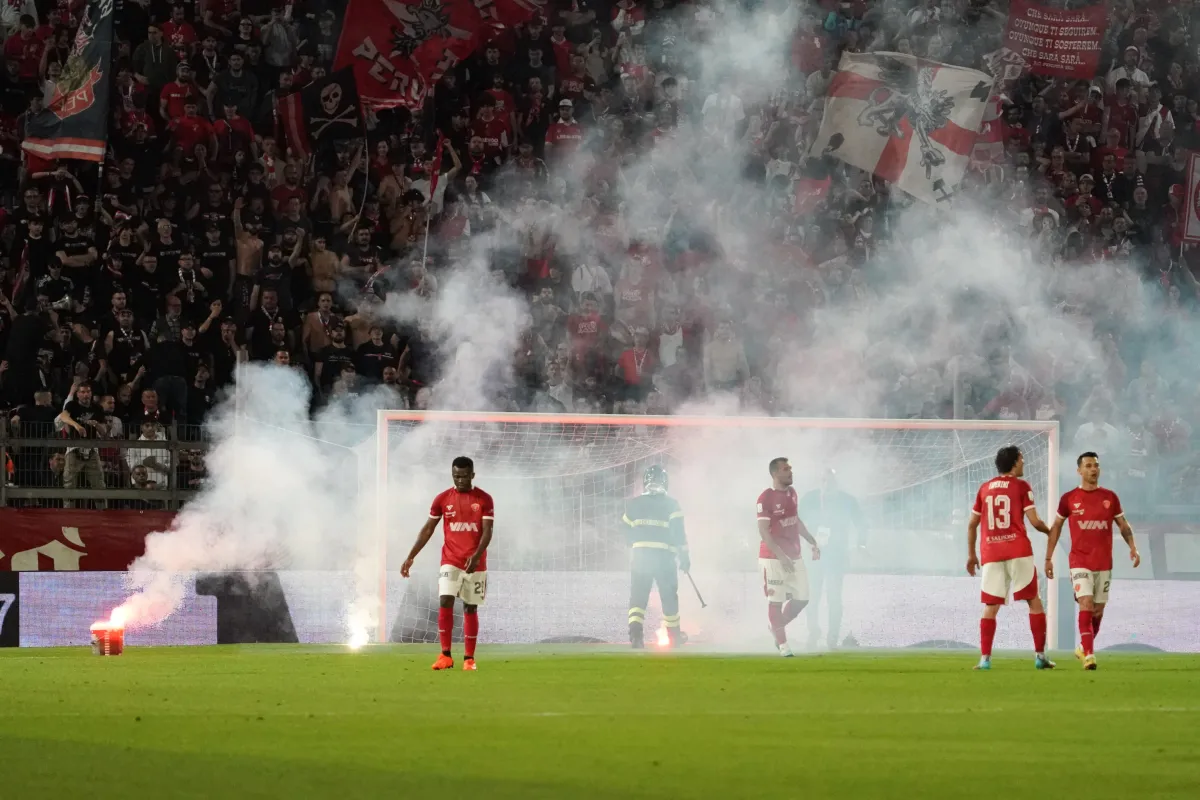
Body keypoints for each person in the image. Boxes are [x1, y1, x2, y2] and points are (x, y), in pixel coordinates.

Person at [1045, 452, 1140, 671]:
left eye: (1096, 465)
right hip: (1079, 561)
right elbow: (1057, 527)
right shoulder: (1069, 499)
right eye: (1088, 466)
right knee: (1085, 603)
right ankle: (1089, 655)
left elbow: (1123, 525)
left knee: (1097, 611)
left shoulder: (1110, 497)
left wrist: (1133, 547)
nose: (1093, 469)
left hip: (1104, 562)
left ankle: (1082, 647)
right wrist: (1048, 557)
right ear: (1079, 471)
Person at [400, 456, 495, 671]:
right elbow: (427, 530)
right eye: (455, 476)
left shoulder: (484, 499)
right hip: (450, 561)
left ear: (472, 475)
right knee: (445, 601)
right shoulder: (442, 499)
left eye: (463, 476)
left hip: (475, 563)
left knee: (470, 608)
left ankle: (469, 659)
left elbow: (488, 532)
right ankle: (445, 656)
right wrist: (410, 556)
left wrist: (478, 555)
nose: (459, 480)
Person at [966, 445, 1054, 671]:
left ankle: (985, 659)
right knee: (1033, 601)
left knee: (991, 606)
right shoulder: (1021, 486)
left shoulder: (985, 488)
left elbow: (972, 524)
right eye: (1022, 459)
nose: (1024, 463)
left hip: (991, 552)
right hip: (1018, 550)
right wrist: (1049, 531)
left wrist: (971, 554)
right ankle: (1040, 656)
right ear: (1014, 462)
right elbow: (1034, 521)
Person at [621, 464, 689, 649]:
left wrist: (636, 544)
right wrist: (684, 557)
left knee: (638, 597)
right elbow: (679, 534)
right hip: (664, 558)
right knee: (668, 597)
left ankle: (636, 636)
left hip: (640, 558)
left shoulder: (634, 504)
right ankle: (674, 636)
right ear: (665, 482)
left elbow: (625, 530)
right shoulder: (672, 504)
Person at [758, 457, 820, 657]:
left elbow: (795, 520)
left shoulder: (793, 493)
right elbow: (764, 532)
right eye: (786, 469)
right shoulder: (765, 498)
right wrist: (780, 555)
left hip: (794, 555)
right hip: (773, 558)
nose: (790, 472)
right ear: (775, 473)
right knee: (775, 601)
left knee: (803, 598)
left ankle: (776, 628)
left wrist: (812, 541)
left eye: (790, 468)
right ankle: (784, 646)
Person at [799, 468, 866, 650]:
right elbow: (795, 520)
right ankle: (813, 632)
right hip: (813, 555)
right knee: (812, 597)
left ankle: (832, 638)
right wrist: (803, 540)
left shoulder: (847, 500)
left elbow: (861, 522)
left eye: (831, 481)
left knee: (835, 598)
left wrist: (861, 544)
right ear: (819, 482)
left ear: (837, 483)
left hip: (836, 555)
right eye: (824, 481)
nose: (827, 485)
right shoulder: (810, 498)